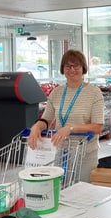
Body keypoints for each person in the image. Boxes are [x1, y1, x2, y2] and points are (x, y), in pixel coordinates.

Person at [28, 49, 104, 182]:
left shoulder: (94, 93)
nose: (72, 69)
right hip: (60, 151)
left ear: (83, 68)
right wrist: (36, 127)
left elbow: (97, 127)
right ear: (63, 69)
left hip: (84, 154)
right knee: (60, 191)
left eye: (76, 66)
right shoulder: (56, 93)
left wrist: (71, 128)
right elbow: (46, 120)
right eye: (68, 66)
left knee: (80, 193)